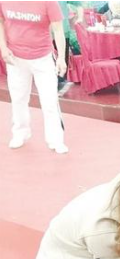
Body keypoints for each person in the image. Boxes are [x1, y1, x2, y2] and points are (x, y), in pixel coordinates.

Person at [0, 2, 68, 153]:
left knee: (49, 101)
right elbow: (1, 22)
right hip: (15, 57)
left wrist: (61, 58)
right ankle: (20, 133)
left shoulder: (48, 2)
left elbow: (58, 29)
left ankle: (56, 139)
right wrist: (3, 48)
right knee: (18, 99)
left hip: (43, 58)